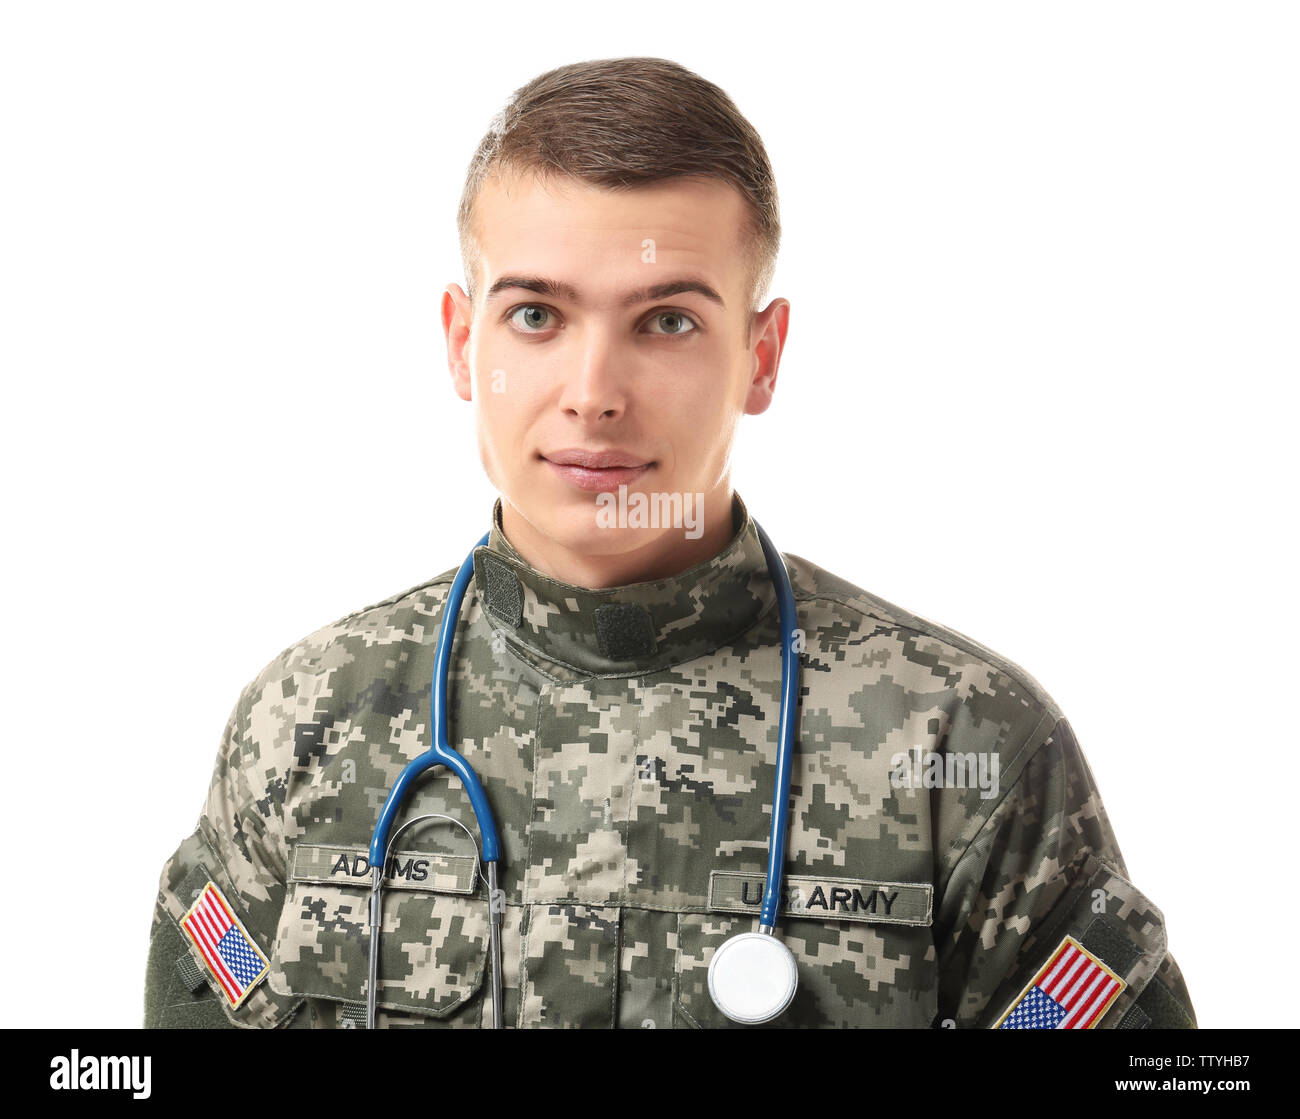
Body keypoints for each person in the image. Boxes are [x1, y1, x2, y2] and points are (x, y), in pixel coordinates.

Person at [143, 56, 1196, 1030]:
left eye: (668, 323)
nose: (594, 395)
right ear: (464, 343)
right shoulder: (305, 721)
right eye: (537, 317)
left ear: (762, 356)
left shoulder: (960, 749)